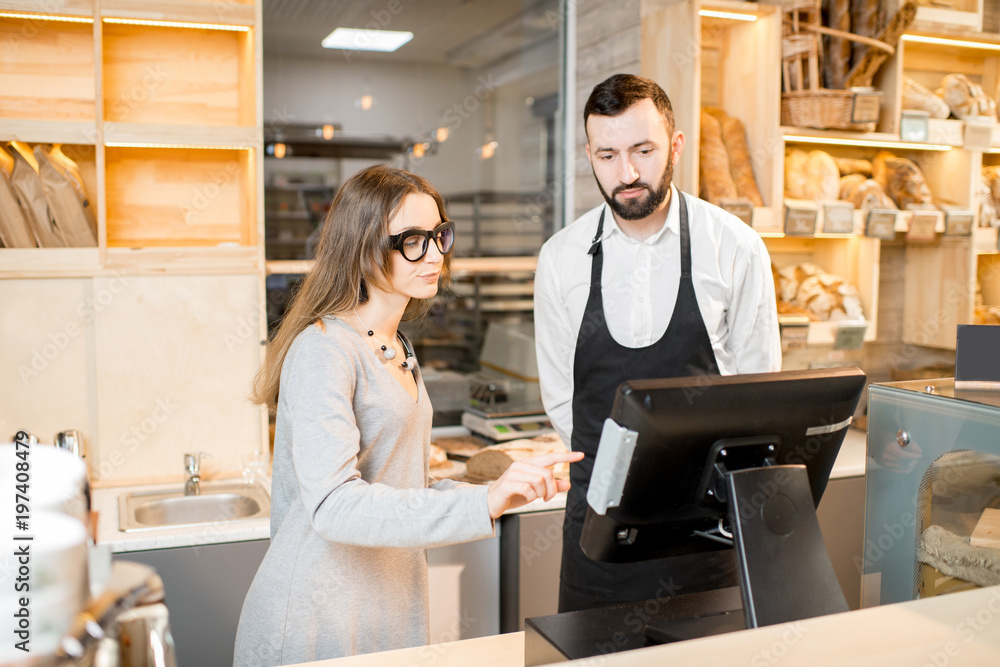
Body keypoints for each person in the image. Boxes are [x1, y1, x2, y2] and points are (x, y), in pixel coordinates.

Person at [234, 164, 582, 666]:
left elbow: (406, 489)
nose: (436, 254)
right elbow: (334, 505)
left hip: (384, 606)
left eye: (439, 235)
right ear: (362, 247)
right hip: (318, 616)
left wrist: (503, 491)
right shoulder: (324, 351)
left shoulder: (397, 346)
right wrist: (480, 503)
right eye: (413, 240)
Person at [533, 74, 782, 613]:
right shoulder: (561, 257)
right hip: (599, 530)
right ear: (589, 155)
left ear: (675, 145)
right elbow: (561, 398)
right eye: (607, 155)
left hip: (705, 534)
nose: (626, 174)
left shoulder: (735, 247)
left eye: (643, 151)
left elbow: (758, 390)